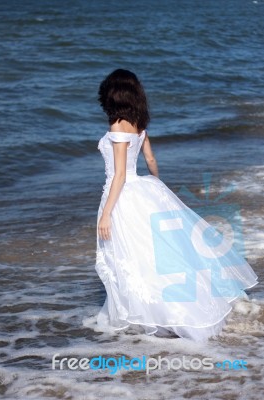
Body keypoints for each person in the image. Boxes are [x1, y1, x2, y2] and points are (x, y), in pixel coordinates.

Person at [94, 68, 259, 341]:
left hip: (121, 196)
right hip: (140, 191)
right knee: (155, 255)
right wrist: (156, 190)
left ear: (112, 96)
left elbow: (120, 175)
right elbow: (152, 162)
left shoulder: (117, 126)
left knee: (134, 257)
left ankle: (152, 316)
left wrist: (107, 213)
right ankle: (170, 310)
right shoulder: (139, 125)